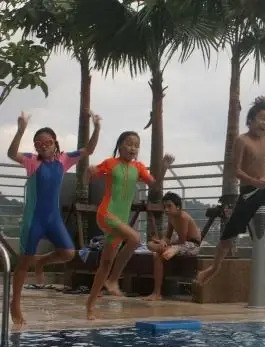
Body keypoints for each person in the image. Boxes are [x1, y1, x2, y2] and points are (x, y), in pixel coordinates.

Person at [7, 110, 102, 326]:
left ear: (55, 143)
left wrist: (96, 127)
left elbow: (89, 149)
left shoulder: (64, 160)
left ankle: (42, 261)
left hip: (53, 220)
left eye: (47, 142)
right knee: (24, 263)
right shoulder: (32, 161)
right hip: (34, 220)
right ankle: (15, 303)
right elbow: (12, 153)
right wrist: (21, 131)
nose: (43, 146)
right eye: (38, 144)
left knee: (68, 253)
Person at [196, 96, 265, 286]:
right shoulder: (242, 141)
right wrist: (253, 181)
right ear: (250, 121)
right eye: (261, 119)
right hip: (249, 193)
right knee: (228, 237)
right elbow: (235, 170)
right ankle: (213, 269)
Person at [85, 131, 174, 320]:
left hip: (120, 221)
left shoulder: (138, 168)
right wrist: (89, 172)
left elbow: (155, 186)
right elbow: (90, 177)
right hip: (106, 214)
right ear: (120, 145)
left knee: (105, 264)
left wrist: (164, 168)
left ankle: (90, 305)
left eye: (136, 145)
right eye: (129, 143)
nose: (133, 148)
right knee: (135, 238)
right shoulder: (110, 163)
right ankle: (113, 280)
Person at [143, 191, 202, 301]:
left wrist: (166, 244)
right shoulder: (171, 218)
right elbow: (167, 237)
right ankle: (156, 293)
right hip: (179, 245)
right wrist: (162, 242)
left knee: (159, 254)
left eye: (169, 206)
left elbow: (182, 241)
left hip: (191, 245)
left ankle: (157, 293)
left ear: (178, 207)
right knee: (151, 246)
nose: (166, 209)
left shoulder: (183, 217)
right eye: (165, 207)